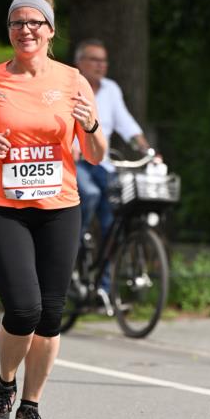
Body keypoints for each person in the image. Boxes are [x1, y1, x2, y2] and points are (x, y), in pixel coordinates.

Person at [0, 0, 107, 419]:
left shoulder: (74, 81)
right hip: (4, 208)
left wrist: (92, 124)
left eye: (34, 23)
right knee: (23, 309)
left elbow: (96, 156)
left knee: (51, 315)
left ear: (50, 31)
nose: (26, 30)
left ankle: (31, 407)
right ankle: (4, 386)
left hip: (60, 207)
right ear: (9, 31)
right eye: (17, 23)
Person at [73, 39, 150, 292]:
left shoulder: (111, 89)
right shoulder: (69, 86)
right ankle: (72, 243)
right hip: (76, 161)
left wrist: (146, 149)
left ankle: (103, 287)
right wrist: (71, 145)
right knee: (90, 194)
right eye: (94, 60)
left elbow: (125, 122)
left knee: (115, 219)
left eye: (103, 60)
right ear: (80, 62)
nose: (100, 65)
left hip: (102, 163)